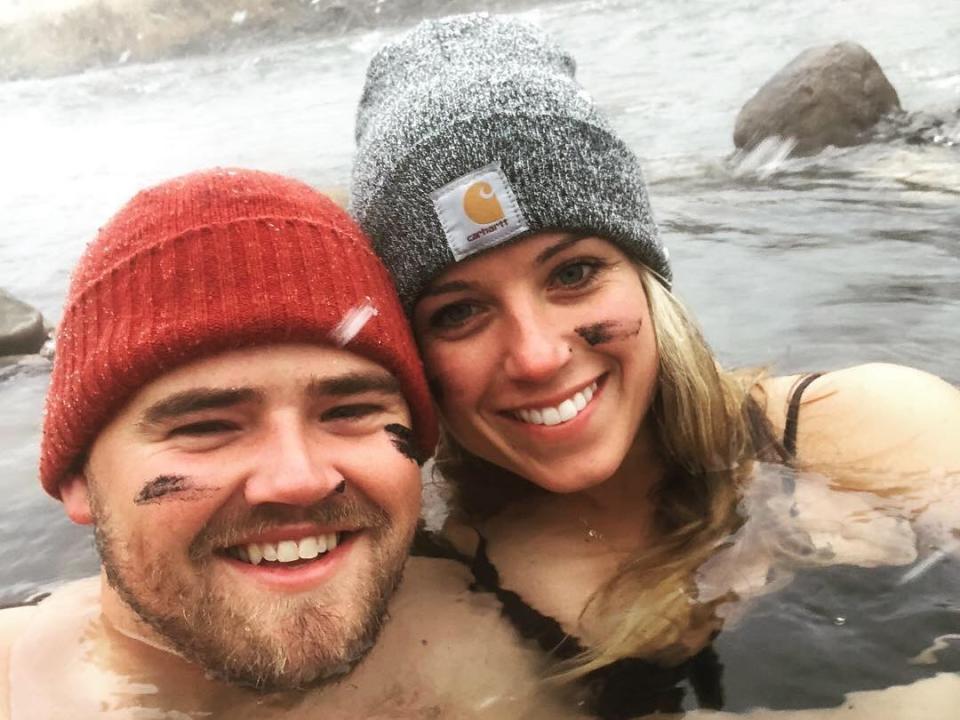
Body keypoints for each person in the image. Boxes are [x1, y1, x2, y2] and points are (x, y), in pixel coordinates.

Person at [351, 14, 960, 718]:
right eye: (458, 313)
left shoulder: (876, 430)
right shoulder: (440, 616)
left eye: (574, 272)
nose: (539, 355)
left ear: (644, 276)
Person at [0, 168, 576, 720]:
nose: (299, 477)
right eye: (207, 426)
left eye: (348, 411)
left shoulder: (484, 632)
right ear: (75, 478)